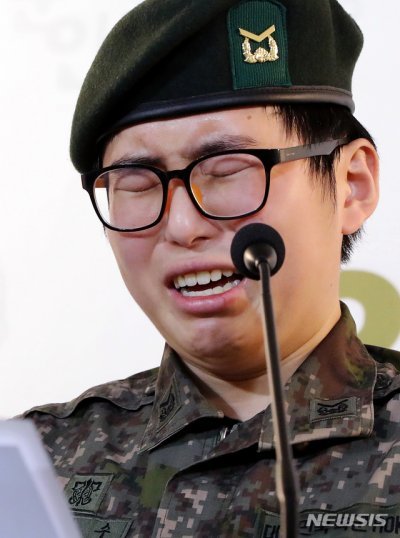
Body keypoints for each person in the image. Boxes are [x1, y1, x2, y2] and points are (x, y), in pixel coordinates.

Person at [24, 0, 400, 536]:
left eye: (226, 171)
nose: (182, 226)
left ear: (352, 185)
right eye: (137, 183)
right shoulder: (38, 466)